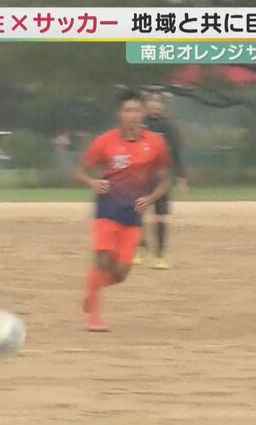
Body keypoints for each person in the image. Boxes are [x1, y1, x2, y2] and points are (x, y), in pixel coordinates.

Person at [76, 90, 170, 332]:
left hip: (133, 215)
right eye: (127, 110)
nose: (132, 115)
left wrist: (150, 198)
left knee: (120, 274)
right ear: (119, 114)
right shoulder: (104, 142)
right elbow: (80, 171)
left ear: (143, 113)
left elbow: (164, 181)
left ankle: (93, 292)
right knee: (104, 259)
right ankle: (94, 317)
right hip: (107, 209)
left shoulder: (155, 144)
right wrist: (93, 182)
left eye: (136, 110)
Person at [136, 91, 188, 270]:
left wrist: (181, 177)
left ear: (163, 106)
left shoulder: (168, 127)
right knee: (137, 212)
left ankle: (160, 256)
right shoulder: (139, 125)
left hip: (161, 178)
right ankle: (141, 247)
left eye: (158, 102)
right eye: (152, 102)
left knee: (161, 216)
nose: (155, 105)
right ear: (146, 105)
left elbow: (176, 153)